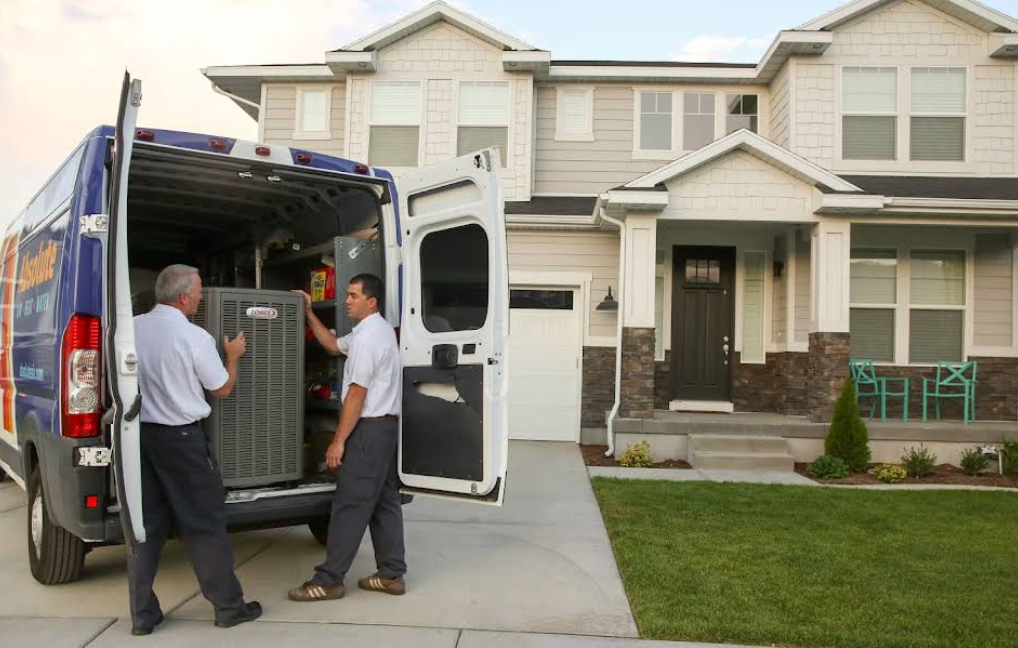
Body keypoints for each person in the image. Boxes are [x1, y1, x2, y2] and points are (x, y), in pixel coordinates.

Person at [128, 264, 261, 635]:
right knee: (204, 524)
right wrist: (233, 356)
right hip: (183, 442)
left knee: (146, 528)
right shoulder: (194, 336)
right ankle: (229, 607)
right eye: (200, 291)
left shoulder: (132, 329)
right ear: (184, 297)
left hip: (140, 438)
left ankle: (142, 615)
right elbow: (221, 389)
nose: (203, 296)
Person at [288, 273, 406, 601]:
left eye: (354, 295)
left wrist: (338, 440)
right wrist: (309, 312)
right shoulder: (372, 331)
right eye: (348, 294)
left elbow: (356, 395)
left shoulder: (369, 339)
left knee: (349, 504)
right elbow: (330, 344)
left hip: (368, 431)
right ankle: (391, 574)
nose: (347, 300)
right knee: (384, 502)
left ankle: (328, 581)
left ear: (372, 301)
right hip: (384, 430)